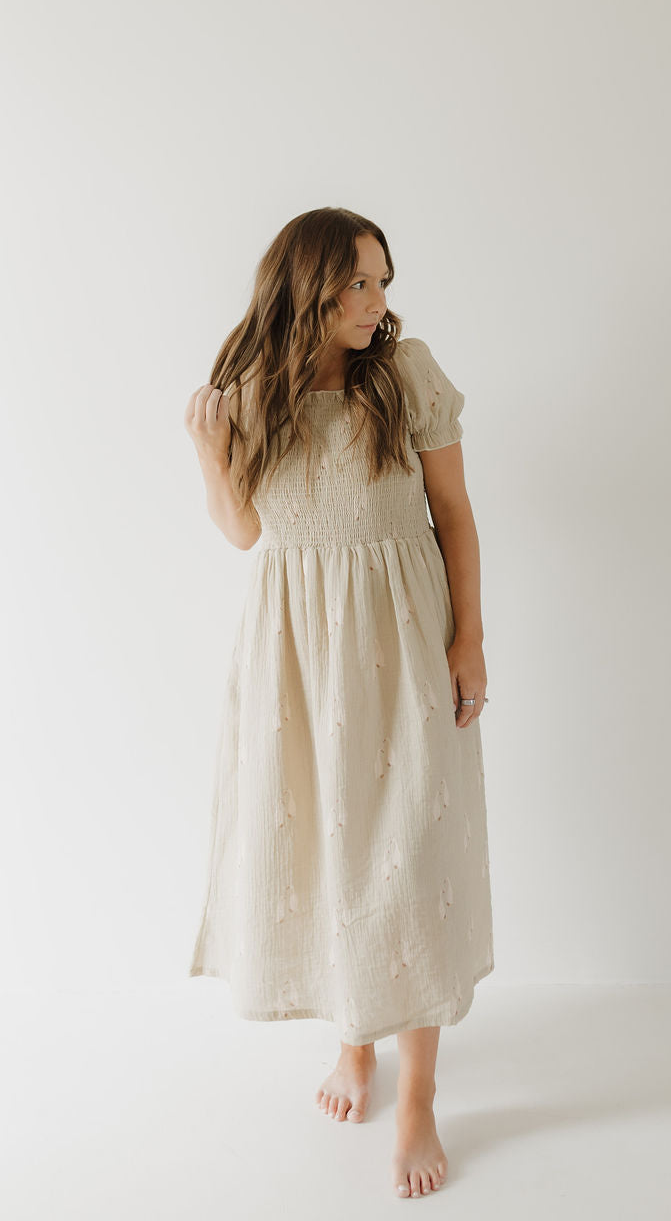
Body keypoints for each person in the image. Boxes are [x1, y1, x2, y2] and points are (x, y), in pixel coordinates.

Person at [184, 207, 493, 1199]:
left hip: (401, 652)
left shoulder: (405, 378)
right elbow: (242, 532)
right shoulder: (252, 392)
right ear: (307, 286)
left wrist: (468, 641)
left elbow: (453, 515)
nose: (378, 303)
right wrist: (206, 450)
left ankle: (416, 1100)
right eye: (358, 283)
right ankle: (355, 1046)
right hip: (295, 667)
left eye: (383, 282)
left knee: (406, 861)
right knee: (324, 854)